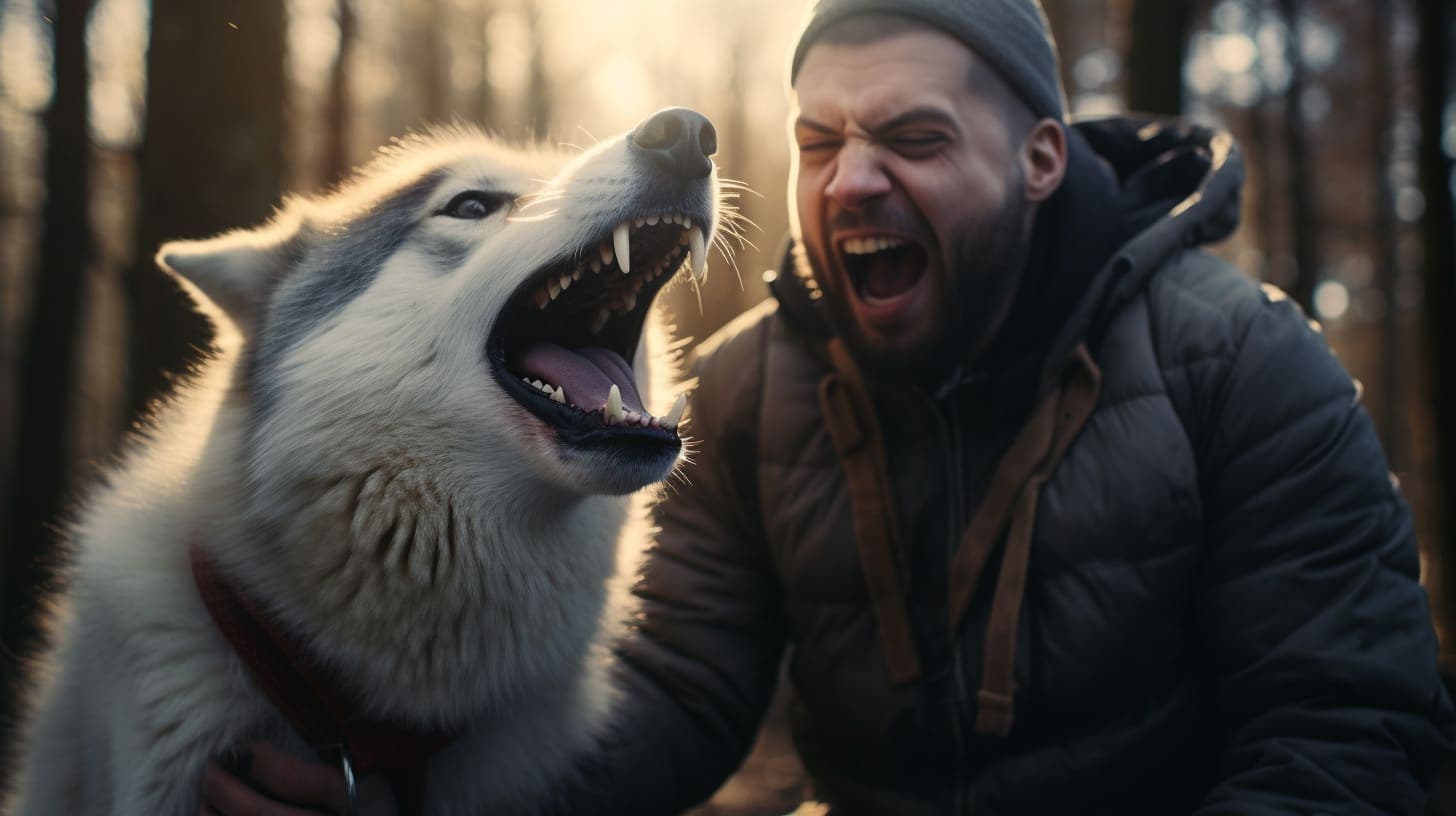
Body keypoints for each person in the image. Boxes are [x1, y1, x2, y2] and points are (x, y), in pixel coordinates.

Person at [203, 0, 1456, 813]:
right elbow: (673, 691)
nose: (850, 181)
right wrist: (417, 799)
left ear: (1039, 163)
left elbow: (1351, 729)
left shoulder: (1242, 366)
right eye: (817, 143)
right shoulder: (745, 393)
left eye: (911, 138)